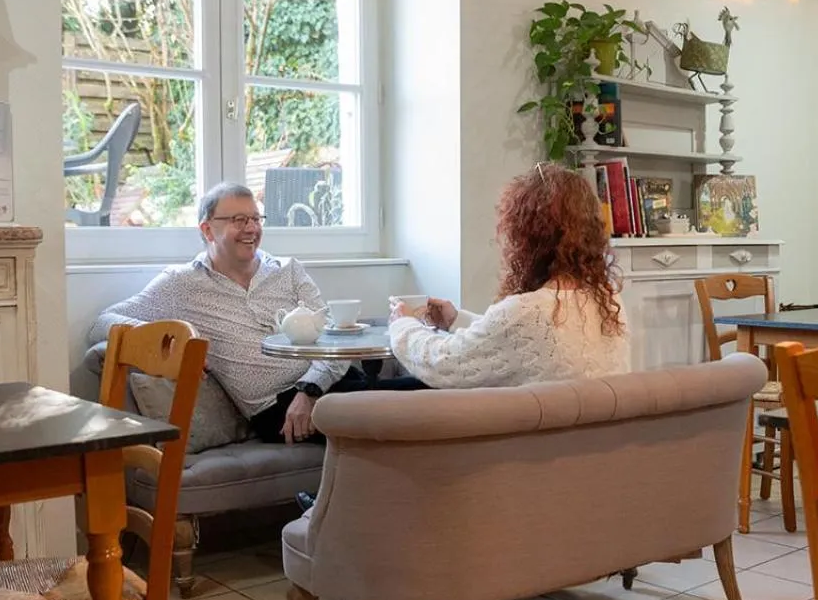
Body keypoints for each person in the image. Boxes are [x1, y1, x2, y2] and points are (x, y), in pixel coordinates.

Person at [89, 182, 350, 446]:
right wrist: (173, 342)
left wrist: (309, 389)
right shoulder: (182, 284)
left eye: (255, 219)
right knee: (386, 416)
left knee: (389, 405)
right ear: (207, 229)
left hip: (325, 385)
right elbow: (103, 323)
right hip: (277, 410)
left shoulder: (288, 271)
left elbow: (333, 339)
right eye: (239, 220)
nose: (251, 228)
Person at [387, 162, 631, 387]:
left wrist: (403, 324)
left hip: (536, 434)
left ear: (528, 237)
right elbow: (527, 342)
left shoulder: (526, 311)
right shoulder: (608, 303)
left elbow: (444, 364)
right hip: (600, 434)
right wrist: (456, 320)